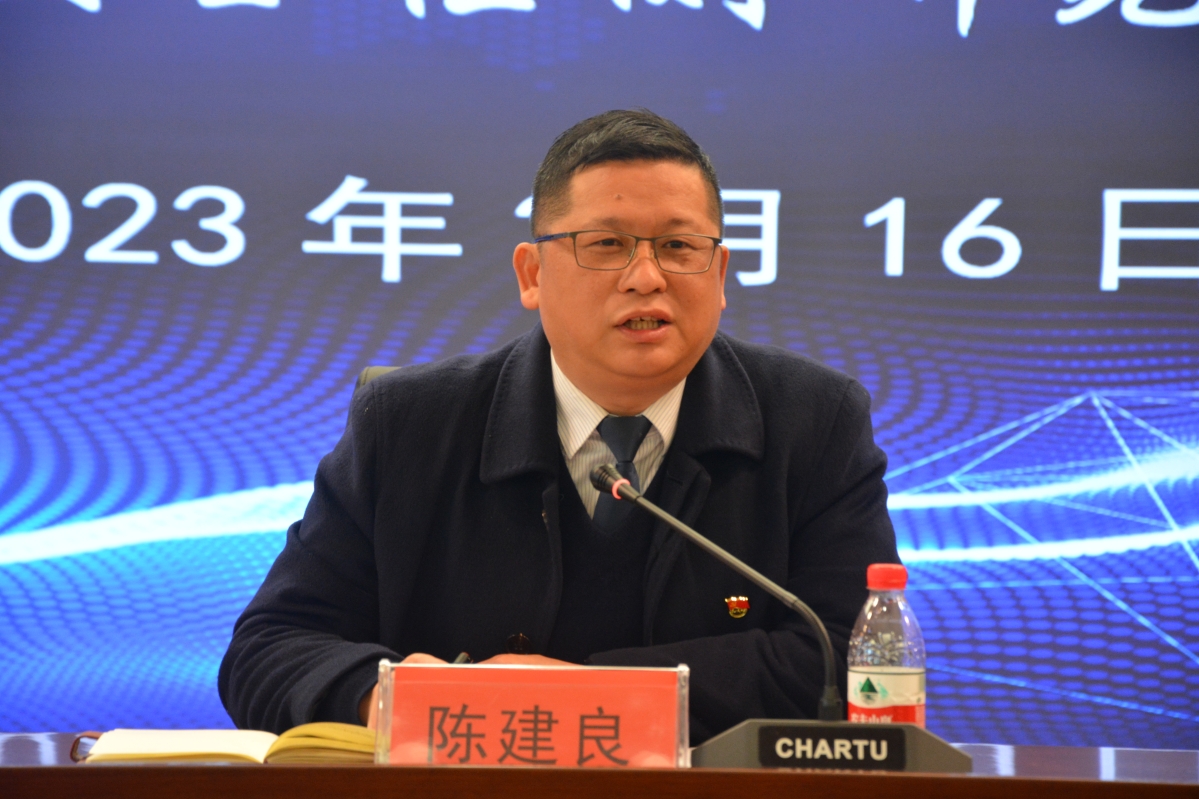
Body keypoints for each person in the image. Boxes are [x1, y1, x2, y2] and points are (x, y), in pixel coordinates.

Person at [218, 109, 899, 744]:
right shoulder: (406, 426)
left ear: (718, 274)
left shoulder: (814, 423)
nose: (645, 277)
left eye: (677, 246)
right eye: (606, 244)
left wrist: (583, 694)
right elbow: (270, 647)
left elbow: (852, 659)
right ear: (532, 273)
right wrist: (390, 699)